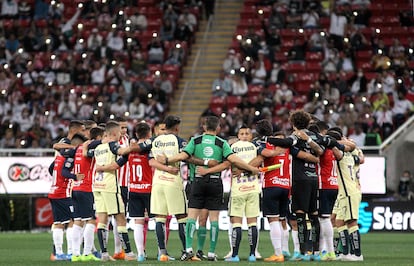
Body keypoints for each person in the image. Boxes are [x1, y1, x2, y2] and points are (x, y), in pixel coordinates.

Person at [156, 116, 260, 261]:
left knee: (191, 217)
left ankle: (188, 250)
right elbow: (232, 160)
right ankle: (211, 252)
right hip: (215, 182)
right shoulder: (222, 142)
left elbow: (184, 156)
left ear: (204, 127)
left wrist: (167, 160)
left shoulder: (195, 140)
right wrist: (251, 168)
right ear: (218, 128)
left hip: (197, 181)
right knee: (214, 219)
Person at [93, 121, 137, 261]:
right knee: (121, 219)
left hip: (98, 185)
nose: (120, 135)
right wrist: (133, 148)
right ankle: (129, 253)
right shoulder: (113, 145)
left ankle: (104, 253)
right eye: (119, 133)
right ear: (113, 133)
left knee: (102, 220)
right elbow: (122, 152)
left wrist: (117, 163)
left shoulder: (98, 147)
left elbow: (120, 160)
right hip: (110, 187)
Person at [62, 128, 102, 262]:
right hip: (86, 189)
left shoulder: (74, 152)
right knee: (90, 220)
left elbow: (64, 171)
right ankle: (86, 254)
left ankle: (75, 254)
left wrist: (74, 176)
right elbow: (98, 143)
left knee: (78, 222)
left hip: (75, 189)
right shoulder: (88, 148)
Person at [327, 127, 364, 261]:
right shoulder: (352, 153)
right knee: (338, 221)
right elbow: (361, 158)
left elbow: (338, 150)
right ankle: (345, 252)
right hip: (345, 191)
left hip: (349, 191)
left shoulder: (340, 154)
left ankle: (357, 254)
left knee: (351, 222)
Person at [48, 134, 85, 261]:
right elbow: (64, 172)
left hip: (53, 191)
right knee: (72, 221)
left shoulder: (59, 158)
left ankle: (58, 253)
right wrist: (75, 177)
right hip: (64, 193)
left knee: (58, 223)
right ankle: (70, 251)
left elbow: (51, 169)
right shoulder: (69, 157)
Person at [128, 122, 153, 262]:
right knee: (158, 219)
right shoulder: (150, 148)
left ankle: (140, 254)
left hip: (133, 189)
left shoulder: (130, 150)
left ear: (136, 134)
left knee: (138, 222)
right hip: (148, 188)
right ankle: (162, 251)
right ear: (149, 133)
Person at [111, 116, 130, 260]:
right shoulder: (113, 142)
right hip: (115, 183)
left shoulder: (126, 139)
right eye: (121, 127)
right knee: (117, 218)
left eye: (125, 127)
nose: (124, 130)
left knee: (120, 217)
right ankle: (118, 249)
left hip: (126, 183)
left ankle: (120, 249)